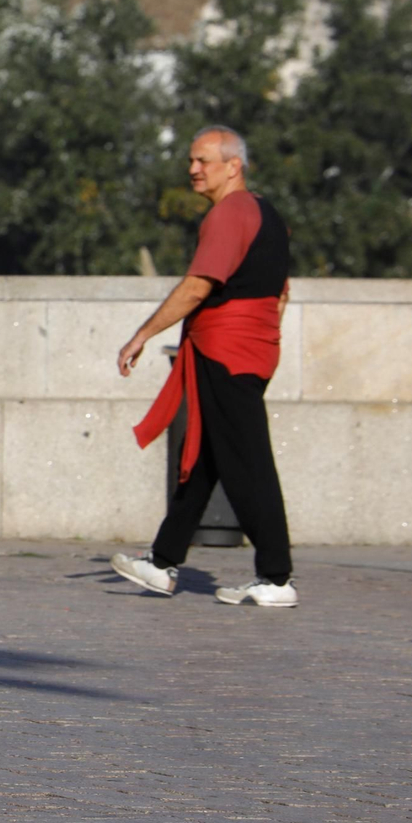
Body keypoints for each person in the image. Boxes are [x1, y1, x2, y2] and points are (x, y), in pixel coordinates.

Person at [113, 125, 297, 608]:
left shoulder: (230, 213)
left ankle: (276, 577)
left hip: (226, 349)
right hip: (252, 348)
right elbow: (281, 294)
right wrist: (261, 339)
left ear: (233, 166)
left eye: (203, 161)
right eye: (191, 161)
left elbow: (199, 284)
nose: (193, 169)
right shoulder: (268, 215)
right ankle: (162, 561)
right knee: (210, 459)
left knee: (247, 463)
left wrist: (142, 334)